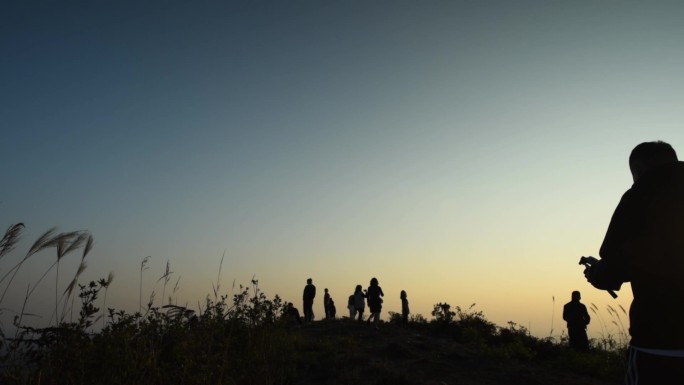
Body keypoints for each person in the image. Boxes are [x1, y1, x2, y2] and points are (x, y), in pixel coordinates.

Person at [584, 141, 684, 384]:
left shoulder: (641, 194)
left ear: (637, 170)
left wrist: (595, 272)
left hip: (661, 344)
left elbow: (614, 269)